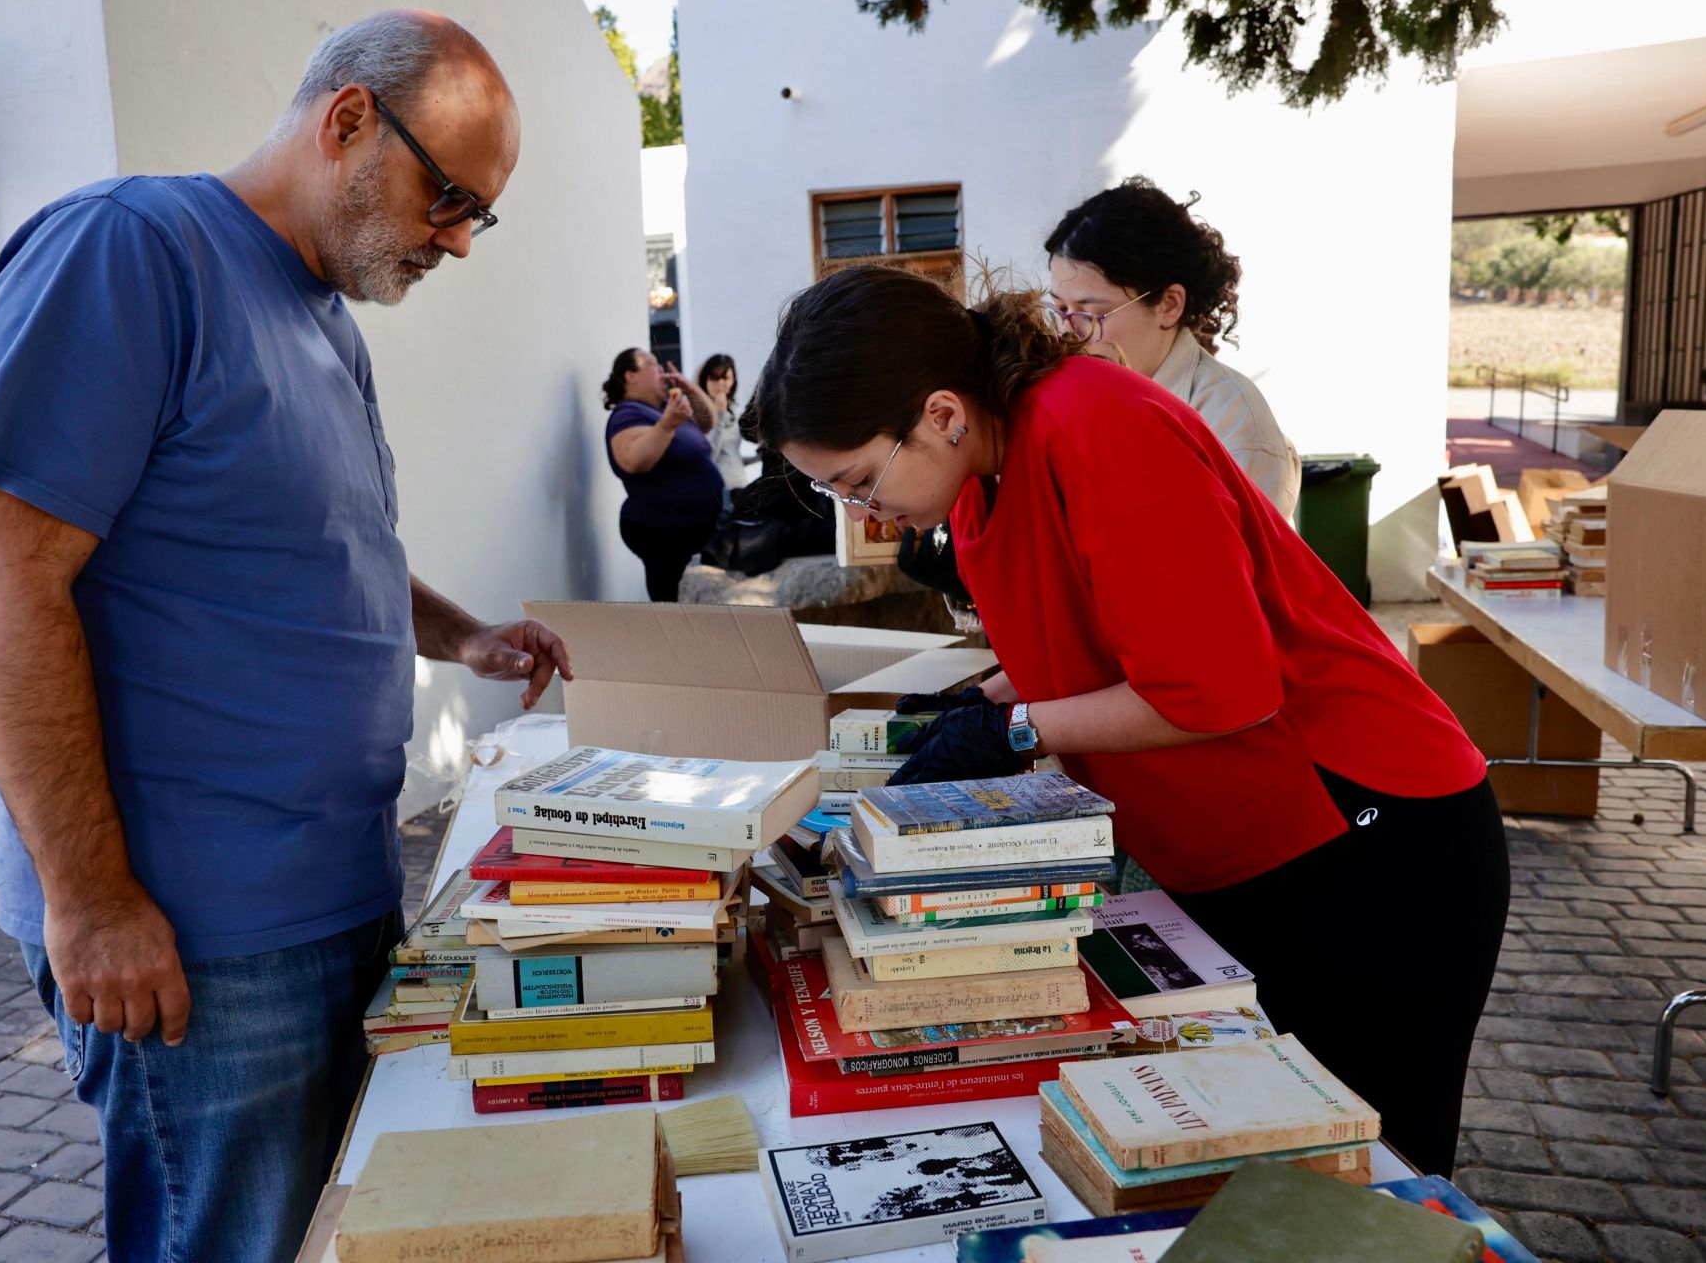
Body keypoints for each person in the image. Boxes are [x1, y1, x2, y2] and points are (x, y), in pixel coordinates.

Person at [0, 12, 571, 1263]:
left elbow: (328, 552)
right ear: (346, 121)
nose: (454, 239)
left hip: (332, 892)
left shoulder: (324, 314)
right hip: (197, 937)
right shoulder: (128, 251)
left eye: (474, 215)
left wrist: (465, 637)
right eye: (445, 196)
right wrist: (93, 899)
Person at [749, 264, 1508, 1178]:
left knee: (1364, 1175)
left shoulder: (1095, 425)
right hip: (1240, 850)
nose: (863, 513)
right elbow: (1085, 651)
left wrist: (1019, 726)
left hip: (1367, 838)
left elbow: (1218, 690)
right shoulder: (983, 479)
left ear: (941, 413)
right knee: (1249, 1164)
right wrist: (972, 706)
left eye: (860, 480)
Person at [1045, 177, 1302, 519]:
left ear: (1168, 305)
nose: (1069, 333)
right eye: (1060, 310)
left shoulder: (1233, 423)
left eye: (1094, 314)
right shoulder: (1070, 402)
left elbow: (1232, 567)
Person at [604, 347, 724, 600]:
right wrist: (667, 425)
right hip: (665, 535)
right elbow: (633, 460)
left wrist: (689, 387)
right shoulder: (627, 413)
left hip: (695, 529)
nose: (661, 370)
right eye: (652, 364)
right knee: (672, 606)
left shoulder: (661, 408)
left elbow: (707, 422)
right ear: (631, 376)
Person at [697, 352, 748, 495]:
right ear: (705, 380)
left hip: (740, 488)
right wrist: (719, 417)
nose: (720, 384)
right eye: (714, 378)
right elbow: (710, 456)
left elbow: (731, 456)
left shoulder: (735, 412)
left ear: (733, 380)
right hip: (715, 491)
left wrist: (759, 456)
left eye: (725, 378)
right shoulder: (699, 414)